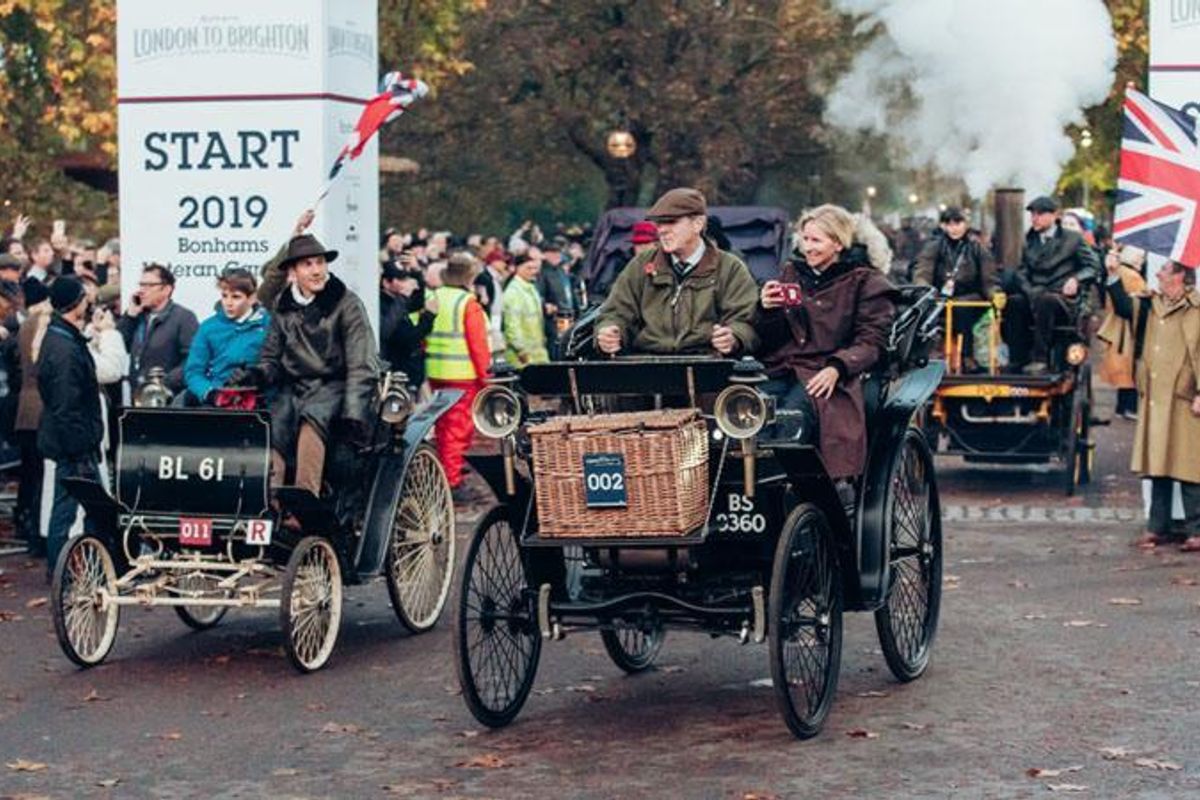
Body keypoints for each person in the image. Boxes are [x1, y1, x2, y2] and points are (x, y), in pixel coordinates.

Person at [755, 204, 897, 489]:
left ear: (837, 243)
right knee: (747, 409)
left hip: (832, 370)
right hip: (785, 366)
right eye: (805, 239)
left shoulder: (866, 281)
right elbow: (773, 338)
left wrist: (838, 367)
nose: (807, 248)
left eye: (816, 240)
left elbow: (871, 342)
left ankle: (793, 490)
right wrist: (767, 309)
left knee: (792, 415)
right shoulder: (791, 273)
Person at [251, 234, 378, 497]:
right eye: (308, 264)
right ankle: (271, 503)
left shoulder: (347, 303)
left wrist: (354, 414)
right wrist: (257, 373)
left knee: (312, 421)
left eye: (320, 262)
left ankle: (304, 501)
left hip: (335, 385)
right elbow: (271, 356)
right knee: (272, 426)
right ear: (292, 272)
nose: (317, 270)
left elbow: (361, 363)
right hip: (294, 387)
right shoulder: (282, 304)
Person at [1106, 257, 1200, 551]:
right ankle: (1156, 527)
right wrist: (1111, 275)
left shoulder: (1197, 309)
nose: (1158, 274)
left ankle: (1196, 530)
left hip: (1185, 396)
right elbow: (1123, 308)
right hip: (1156, 396)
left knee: (1189, 465)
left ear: (1180, 276)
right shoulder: (1149, 305)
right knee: (1156, 462)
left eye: (1164, 270)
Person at [596, 188, 759, 356]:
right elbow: (615, 313)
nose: (662, 230)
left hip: (707, 365)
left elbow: (746, 321)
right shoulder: (641, 265)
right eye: (659, 223)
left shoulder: (730, 268)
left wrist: (733, 337)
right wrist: (609, 333)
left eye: (671, 222)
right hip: (646, 364)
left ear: (698, 224)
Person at [37, 277, 103, 576]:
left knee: (79, 509)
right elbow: (66, 404)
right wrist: (80, 446)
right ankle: (69, 571)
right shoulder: (64, 347)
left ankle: (80, 567)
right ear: (76, 303)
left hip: (73, 440)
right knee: (73, 510)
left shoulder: (60, 337)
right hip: (75, 445)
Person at [1003, 196, 1098, 373]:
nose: (1034, 218)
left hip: (1062, 299)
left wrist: (1076, 279)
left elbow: (1094, 267)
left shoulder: (1073, 239)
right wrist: (1027, 289)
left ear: (1054, 215)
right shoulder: (1030, 240)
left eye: (1039, 214)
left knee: (1046, 301)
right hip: (1035, 293)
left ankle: (1041, 359)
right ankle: (1017, 358)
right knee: (1014, 302)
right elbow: (1022, 270)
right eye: (1032, 214)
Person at [425, 253, 491, 491]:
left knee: (444, 425)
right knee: (458, 428)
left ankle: (446, 470)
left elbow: (420, 332)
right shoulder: (467, 304)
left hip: (435, 371)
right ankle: (452, 481)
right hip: (463, 374)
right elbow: (478, 346)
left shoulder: (433, 296)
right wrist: (487, 380)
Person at [913, 206, 997, 371]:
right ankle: (931, 354)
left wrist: (995, 295)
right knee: (927, 308)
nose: (954, 227)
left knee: (961, 307)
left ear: (965, 224)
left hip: (971, 298)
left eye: (958, 223)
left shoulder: (978, 248)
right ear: (943, 226)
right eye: (949, 223)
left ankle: (967, 356)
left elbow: (989, 279)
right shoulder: (933, 247)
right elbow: (923, 271)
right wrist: (925, 291)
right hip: (940, 298)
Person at [184, 268, 270, 404]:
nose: (228, 303)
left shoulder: (268, 325)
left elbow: (277, 365)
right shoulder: (208, 327)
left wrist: (257, 375)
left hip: (260, 398)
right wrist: (211, 393)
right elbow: (193, 372)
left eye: (236, 297)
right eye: (224, 296)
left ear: (252, 298)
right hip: (218, 398)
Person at [117, 263, 199, 393]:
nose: (142, 290)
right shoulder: (137, 316)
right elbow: (119, 346)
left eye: (149, 285)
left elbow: (192, 359)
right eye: (141, 285)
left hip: (168, 397)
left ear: (166, 289)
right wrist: (130, 316)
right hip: (139, 395)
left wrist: (163, 384)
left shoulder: (184, 317)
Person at [13, 280, 50, 554]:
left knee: (31, 474)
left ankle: (29, 528)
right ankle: (38, 535)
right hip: (41, 407)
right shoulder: (43, 322)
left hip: (26, 407)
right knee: (40, 476)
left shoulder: (26, 322)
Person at [1096, 245, 1147, 420]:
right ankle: (1128, 408)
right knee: (1130, 369)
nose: (1142, 260)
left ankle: (1122, 407)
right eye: (1140, 257)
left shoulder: (1119, 271)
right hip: (1127, 329)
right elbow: (1135, 304)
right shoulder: (1133, 276)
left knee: (1123, 369)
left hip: (1118, 327)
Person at [380, 262, 437, 388]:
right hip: (396, 374)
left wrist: (417, 273)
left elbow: (417, 302)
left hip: (411, 371)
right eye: (400, 279)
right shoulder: (385, 304)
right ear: (386, 283)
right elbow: (405, 338)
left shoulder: (398, 302)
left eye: (406, 278)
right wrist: (428, 316)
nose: (406, 283)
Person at [502, 252, 550, 367]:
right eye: (528, 268)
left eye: (535, 268)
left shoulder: (530, 288)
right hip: (522, 358)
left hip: (537, 355)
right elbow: (512, 326)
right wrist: (521, 350)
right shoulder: (514, 292)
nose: (533, 271)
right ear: (517, 268)